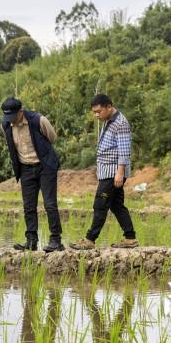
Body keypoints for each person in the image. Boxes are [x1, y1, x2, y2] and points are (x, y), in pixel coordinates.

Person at [70, 94, 138, 250]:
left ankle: (90, 239)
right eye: (94, 112)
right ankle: (130, 238)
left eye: (98, 111)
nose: (96, 115)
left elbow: (124, 151)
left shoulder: (120, 123)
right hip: (107, 171)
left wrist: (120, 173)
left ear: (109, 106)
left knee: (100, 204)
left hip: (113, 172)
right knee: (116, 205)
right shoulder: (109, 121)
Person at [0, 97, 64, 252]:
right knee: (28, 206)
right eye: (8, 118)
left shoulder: (38, 120)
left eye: (14, 117)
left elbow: (52, 138)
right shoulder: (6, 125)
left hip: (45, 166)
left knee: (50, 204)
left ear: (21, 112)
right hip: (25, 168)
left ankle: (56, 240)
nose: (12, 121)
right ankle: (31, 241)